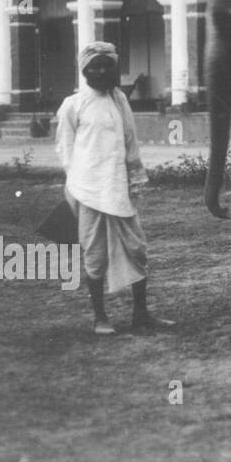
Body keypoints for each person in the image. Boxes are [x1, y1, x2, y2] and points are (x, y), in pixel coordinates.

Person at [56, 42, 173, 335]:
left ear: (115, 68)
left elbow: (130, 144)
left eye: (107, 65)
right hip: (89, 192)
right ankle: (100, 317)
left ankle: (141, 314)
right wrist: (81, 185)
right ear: (84, 70)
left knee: (137, 249)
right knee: (95, 255)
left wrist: (134, 180)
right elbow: (66, 150)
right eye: (94, 66)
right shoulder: (74, 105)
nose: (101, 71)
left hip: (119, 188)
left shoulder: (120, 100)